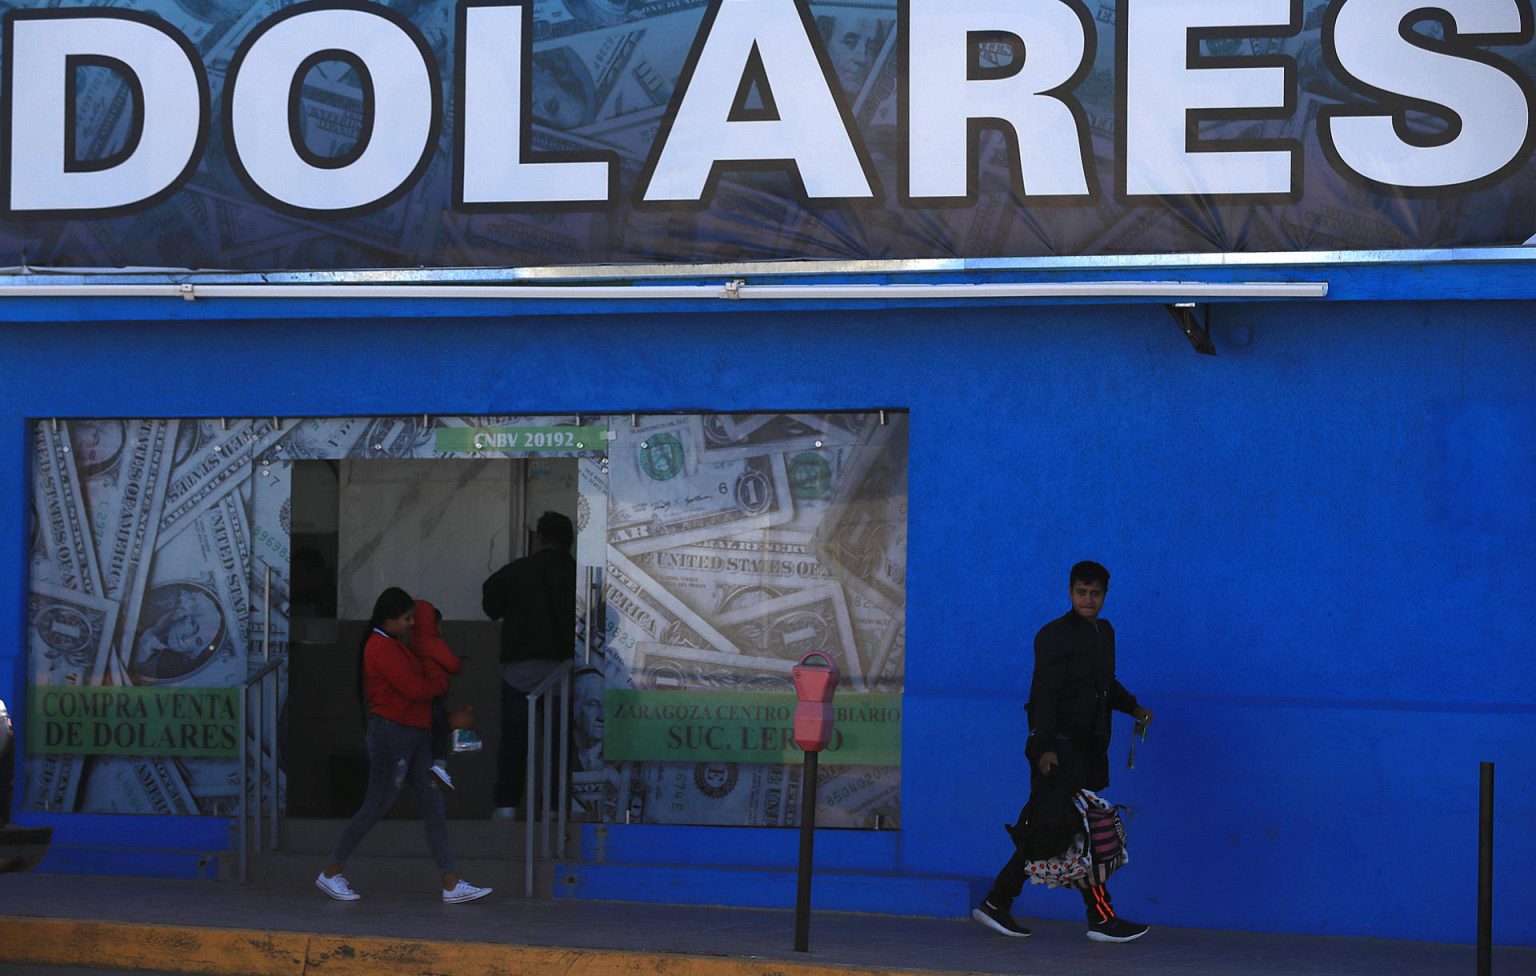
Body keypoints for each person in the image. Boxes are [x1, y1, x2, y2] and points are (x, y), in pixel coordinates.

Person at [973, 561, 1154, 943]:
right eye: (1081, 592)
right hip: (1058, 751)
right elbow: (1043, 695)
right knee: (1057, 829)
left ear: (1105, 595)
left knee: (1074, 832)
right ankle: (1006, 903)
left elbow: (1107, 685)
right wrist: (1043, 749)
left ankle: (1004, 904)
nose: (1088, 599)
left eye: (1095, 593)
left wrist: (1134, 708)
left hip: (1088, 751)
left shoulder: (1105, 633)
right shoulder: (1054, 636)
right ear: (1070, 592)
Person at [316, 587, 492, 904]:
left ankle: (450, 881)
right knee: (376, 805)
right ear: (390, 619)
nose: (413, 624)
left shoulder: (394, 645)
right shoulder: (381, 648)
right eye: (407, 618)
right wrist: (440, 685)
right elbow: (414, 689)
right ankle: (331, 871)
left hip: (414, 735)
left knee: (433, 806)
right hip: (393, 736)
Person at [482, 512, 576, 818]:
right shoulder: (578, 572)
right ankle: (552, 809)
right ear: (570, 543)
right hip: (563, 672)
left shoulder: (519, 571)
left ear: (540, 539)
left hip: (518, 673)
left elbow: (490, 604)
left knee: (514, 741)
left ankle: (507, 807)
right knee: (558, 747)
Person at [411, 600, 463, 793]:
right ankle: (439, 763)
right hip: (435, 696)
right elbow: (453, 665)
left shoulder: (412, 643)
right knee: (441, 728)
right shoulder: (434, 644)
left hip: (418, 701)